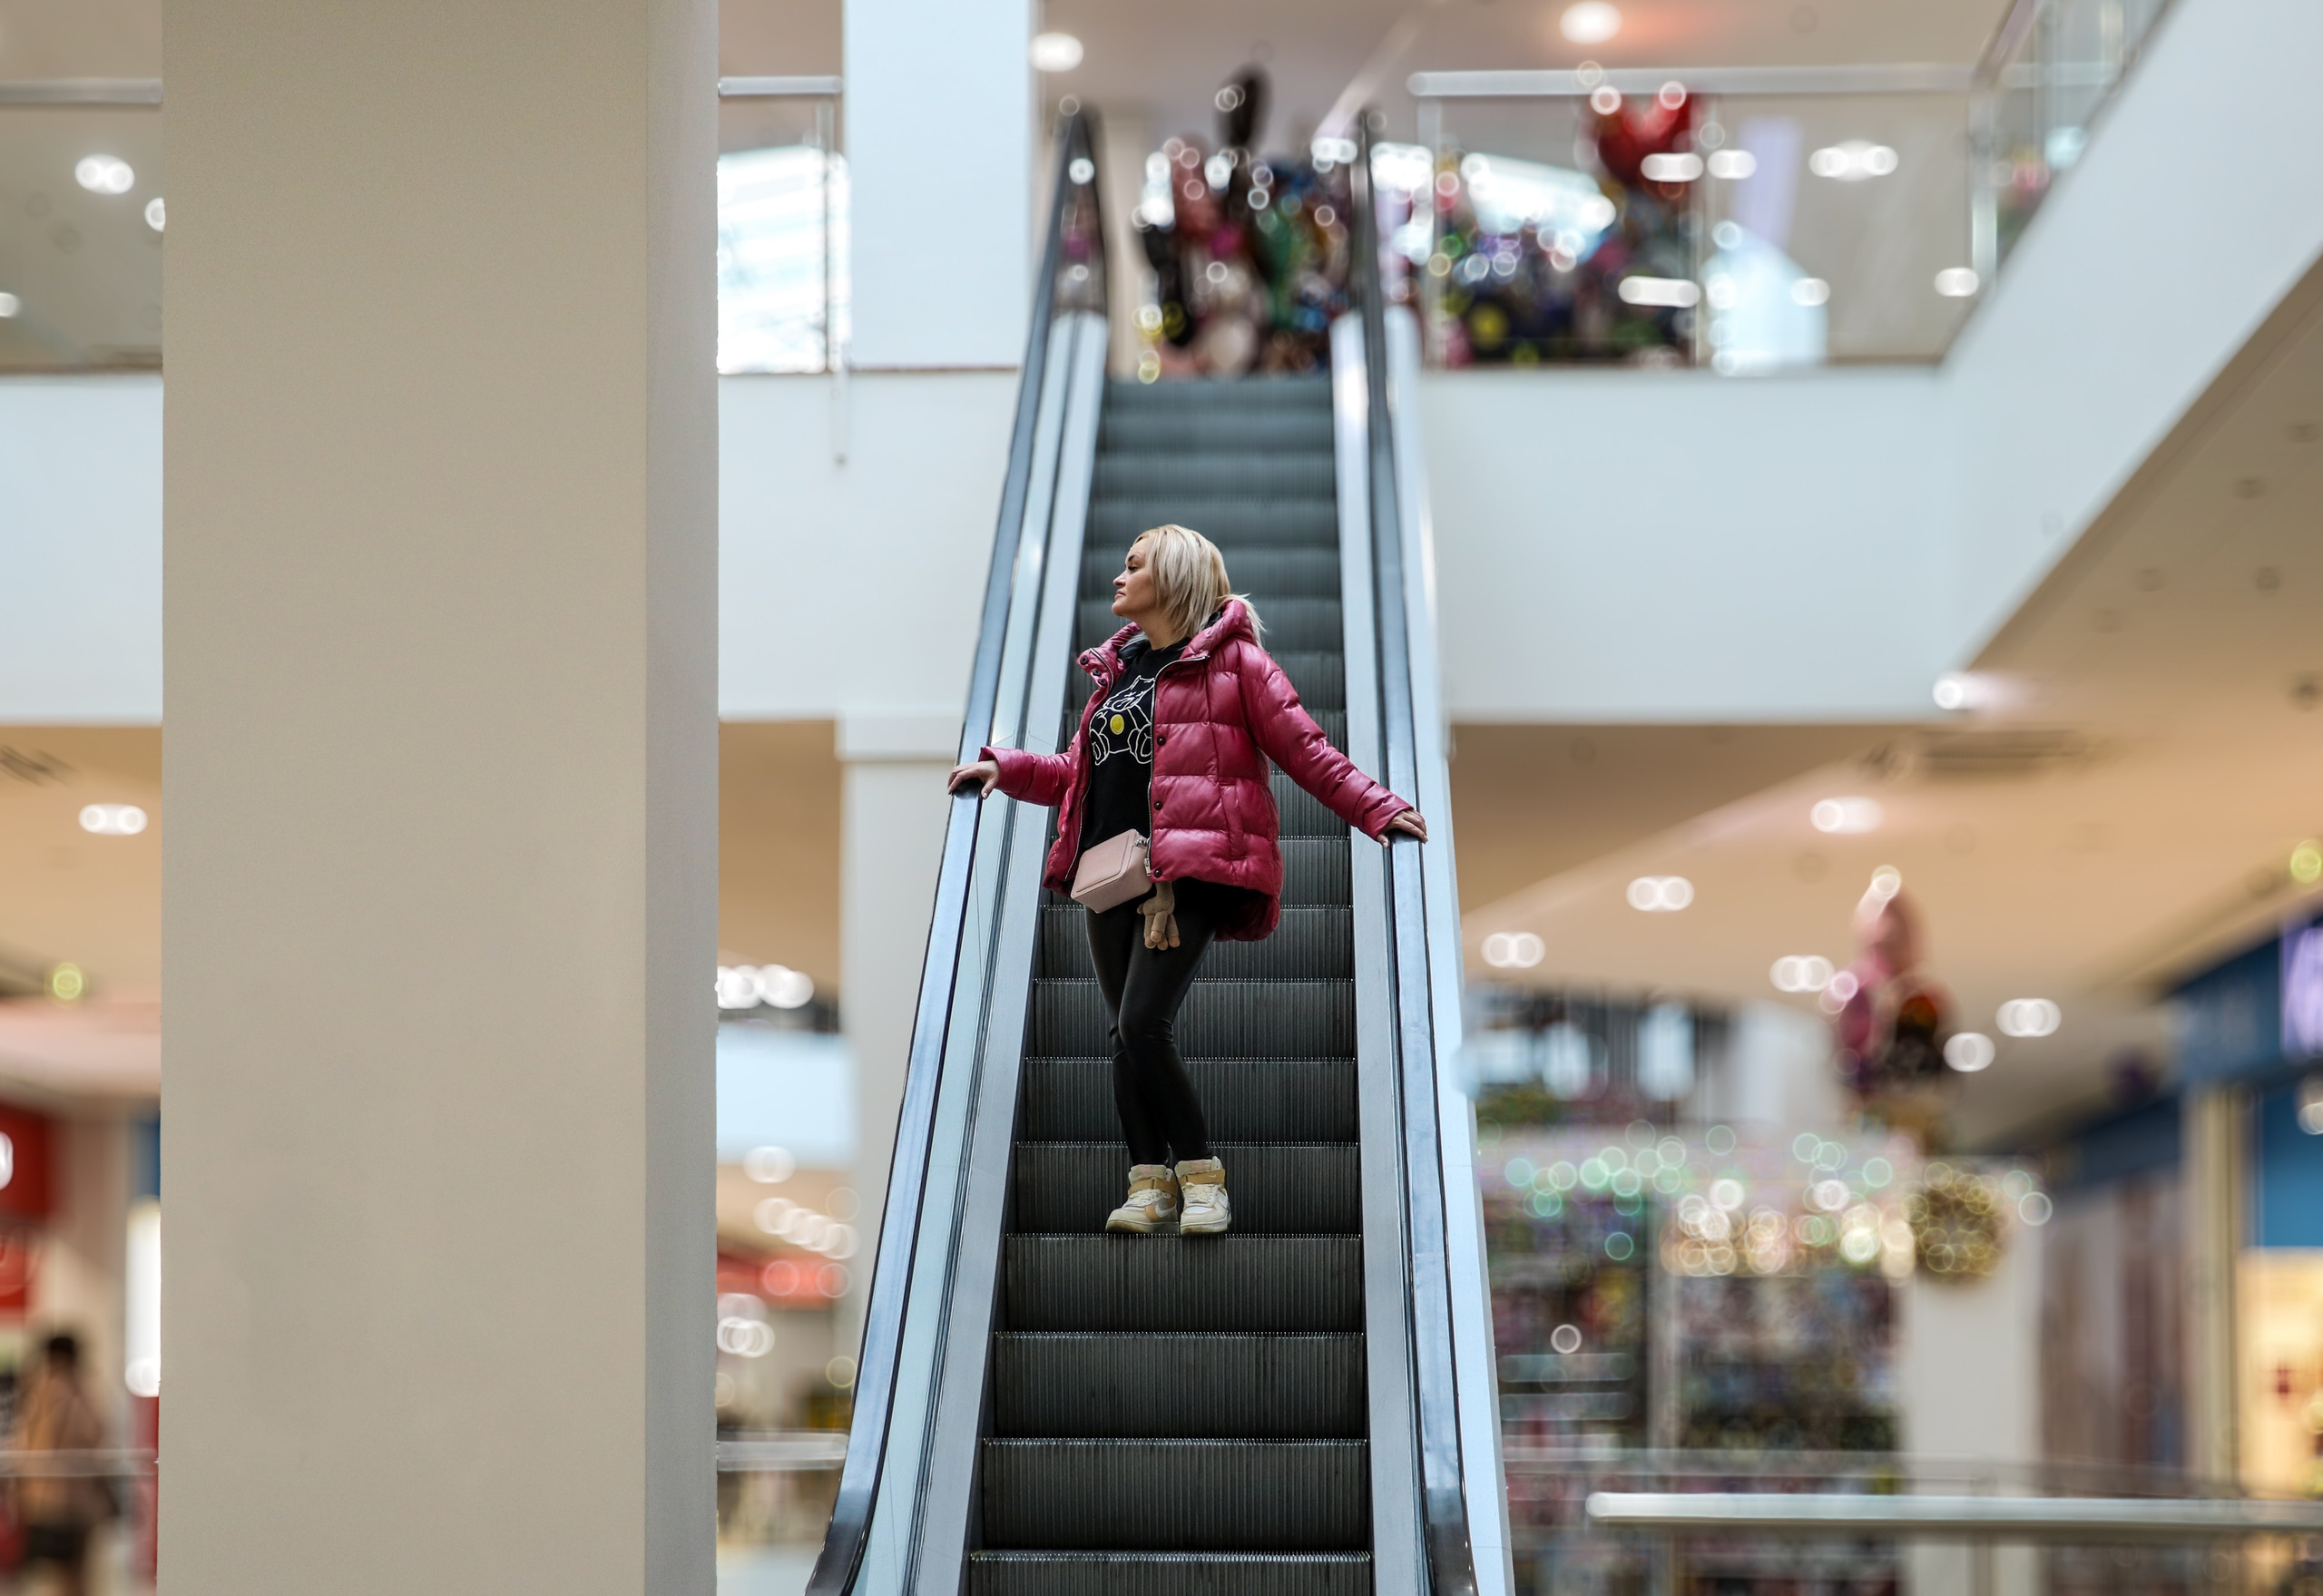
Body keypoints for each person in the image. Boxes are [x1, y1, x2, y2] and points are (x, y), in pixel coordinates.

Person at [951, 524, 1426, 1236]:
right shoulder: (1119, 673)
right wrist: (1004, 768)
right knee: (1122, 1033)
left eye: (1133, 565)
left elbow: (1308, 750)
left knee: (1144, 1022)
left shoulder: (1238, 666)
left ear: (1170, 579)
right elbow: (1073, 772)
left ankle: (1201, 1178)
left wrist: (1378, 809)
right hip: (1110, 871)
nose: (1119, 576)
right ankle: (1148, 1184)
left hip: (1192, 869)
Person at [12, 1332, 108, 1596]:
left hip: (43, 1496)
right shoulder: (67, 1390)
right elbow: (92, 1432)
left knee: (57, 1575)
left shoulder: (38, 1388)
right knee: (73, 1576)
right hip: (69, 1498)